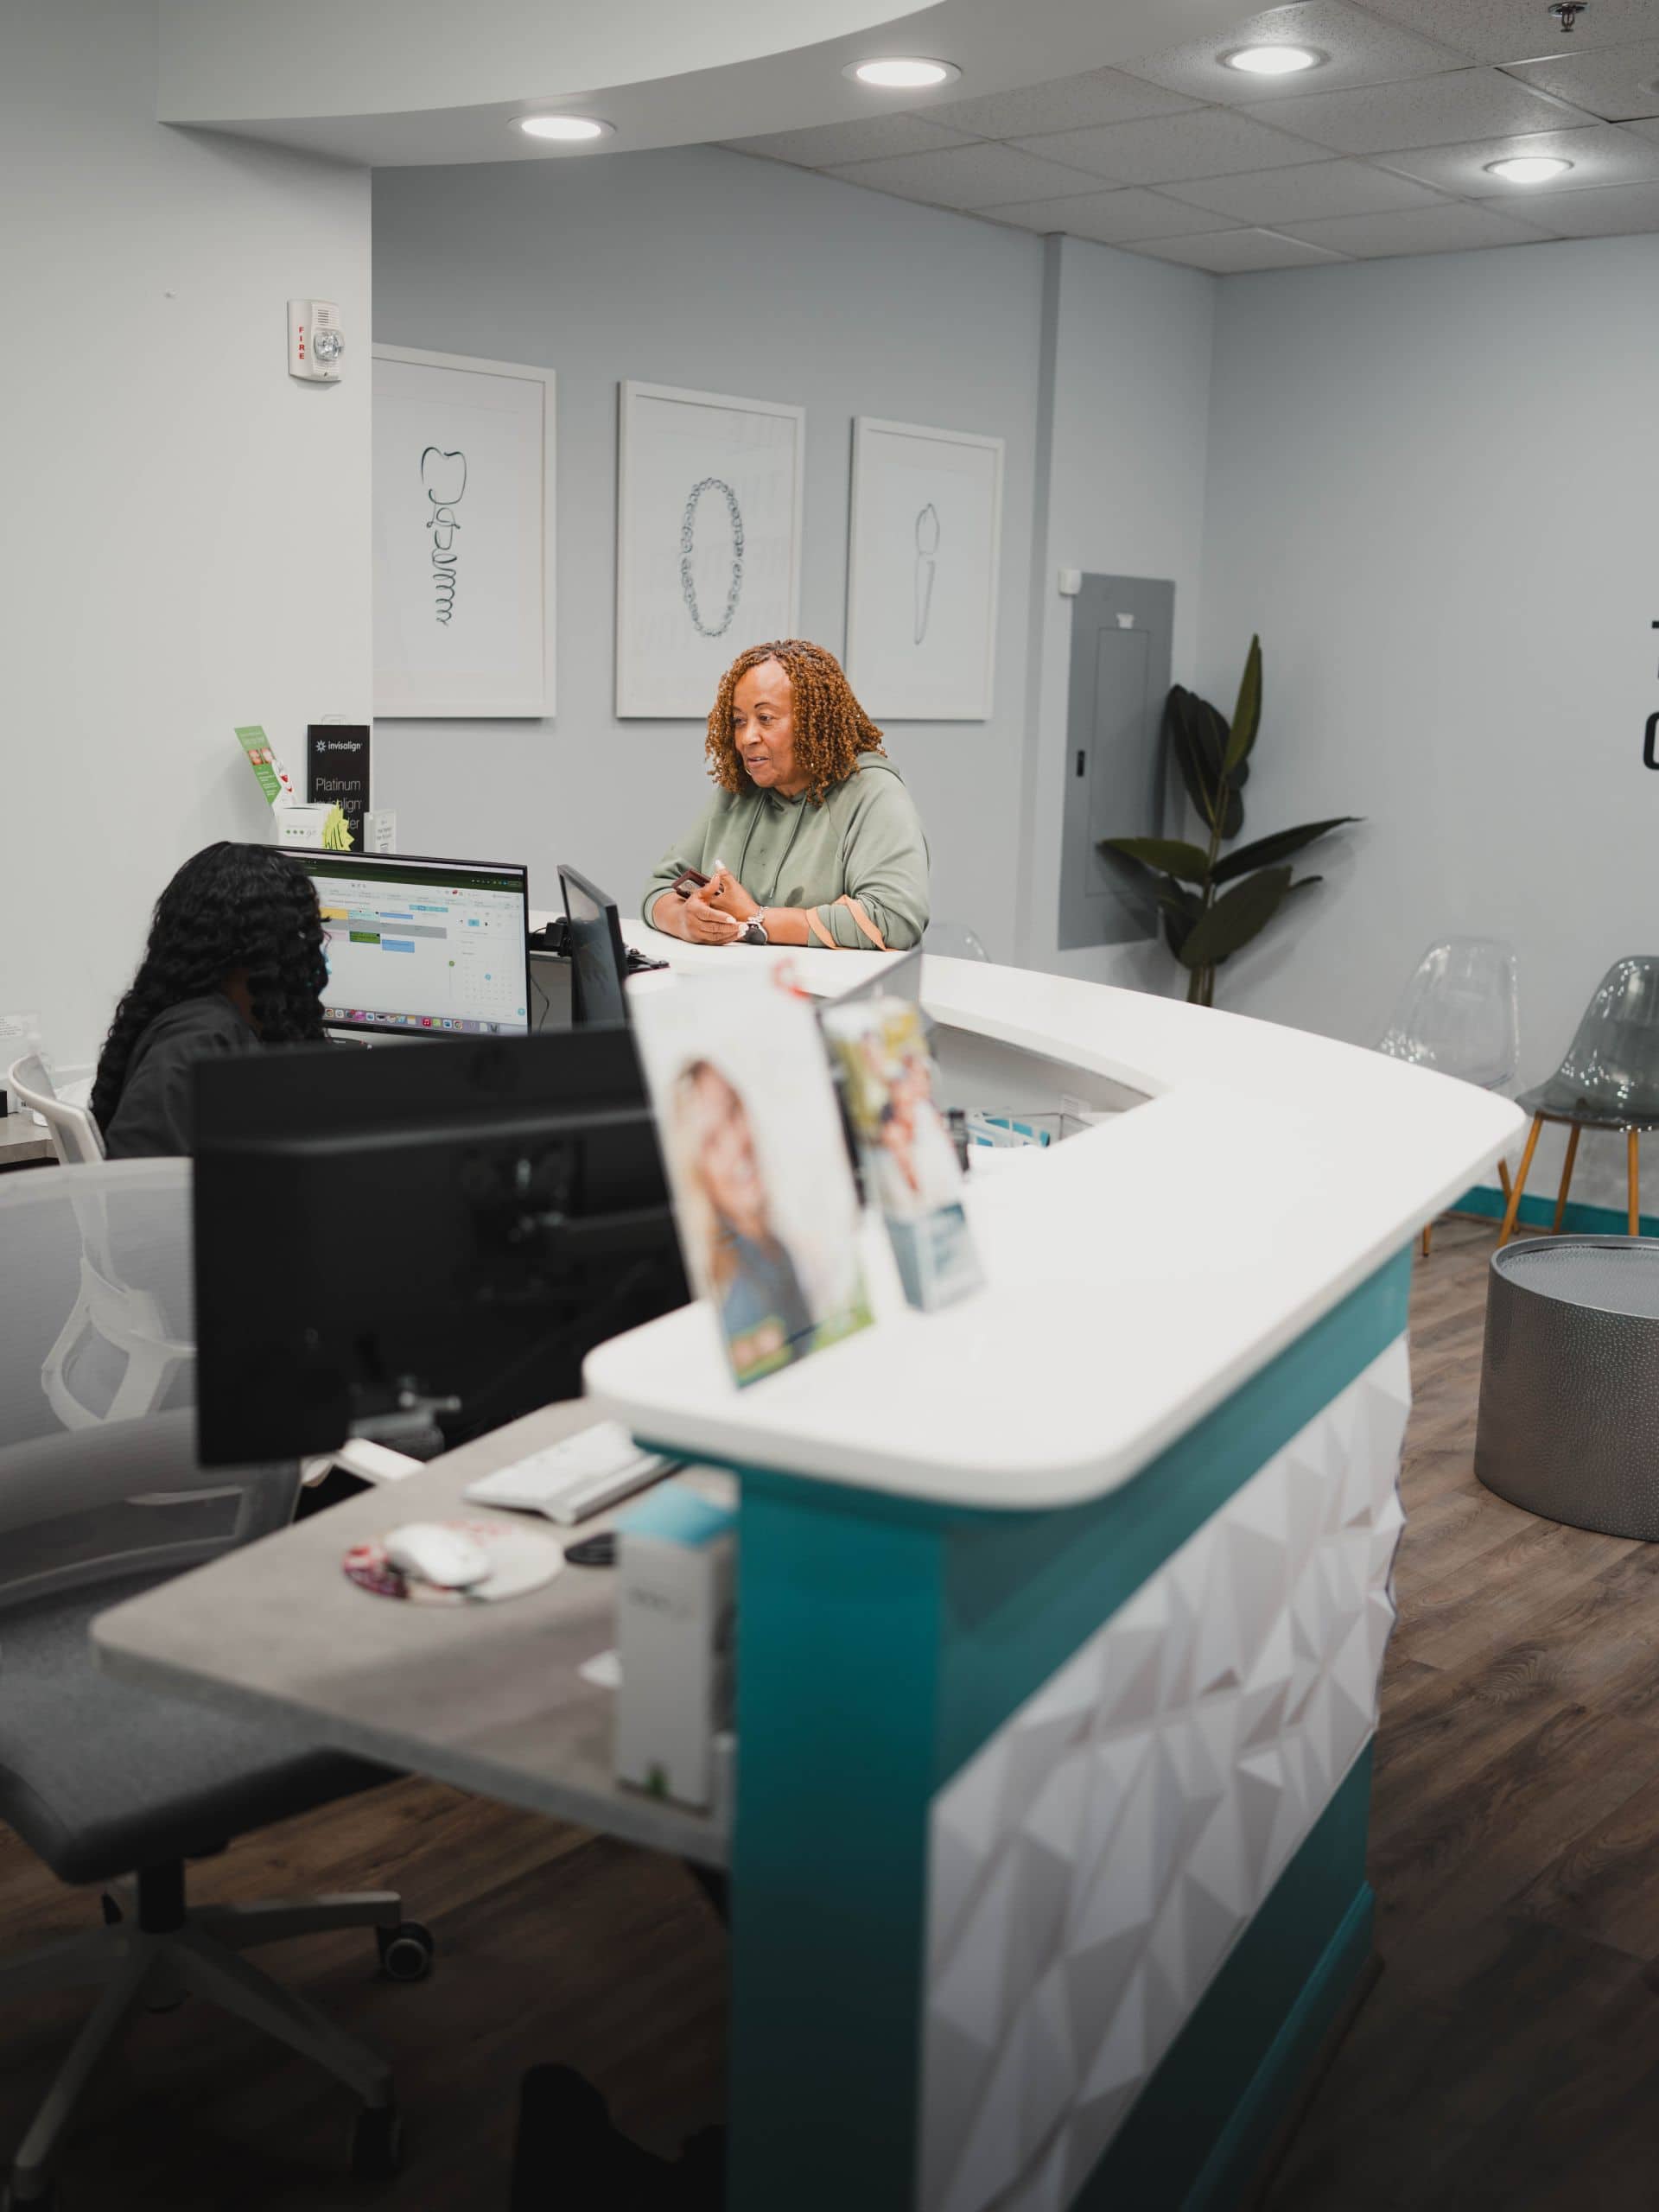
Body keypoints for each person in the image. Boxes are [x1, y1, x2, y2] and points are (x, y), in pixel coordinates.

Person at [643, 639, 930, 953]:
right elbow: (660, 886)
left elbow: (895, 919)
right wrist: (685, 920)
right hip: (738, 980)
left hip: (824, 985)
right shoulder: (738, 791)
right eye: (739, 721)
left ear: (814, 723)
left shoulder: (873, 792)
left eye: (765, 718)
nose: (747, 738)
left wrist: (757, 919)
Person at [92, 842, 327, 1159]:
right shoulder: (196, 1041)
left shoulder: (226, 1025)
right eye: (301, 935)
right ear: (259, 945)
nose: (310, 950)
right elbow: (139, 1170)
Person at [671, 1058, 814, 1382]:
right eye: (712, 1141)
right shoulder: (742, 1297)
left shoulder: (771, 1248)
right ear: (696, 1169)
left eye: (733, 1112)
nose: (736, 1143)